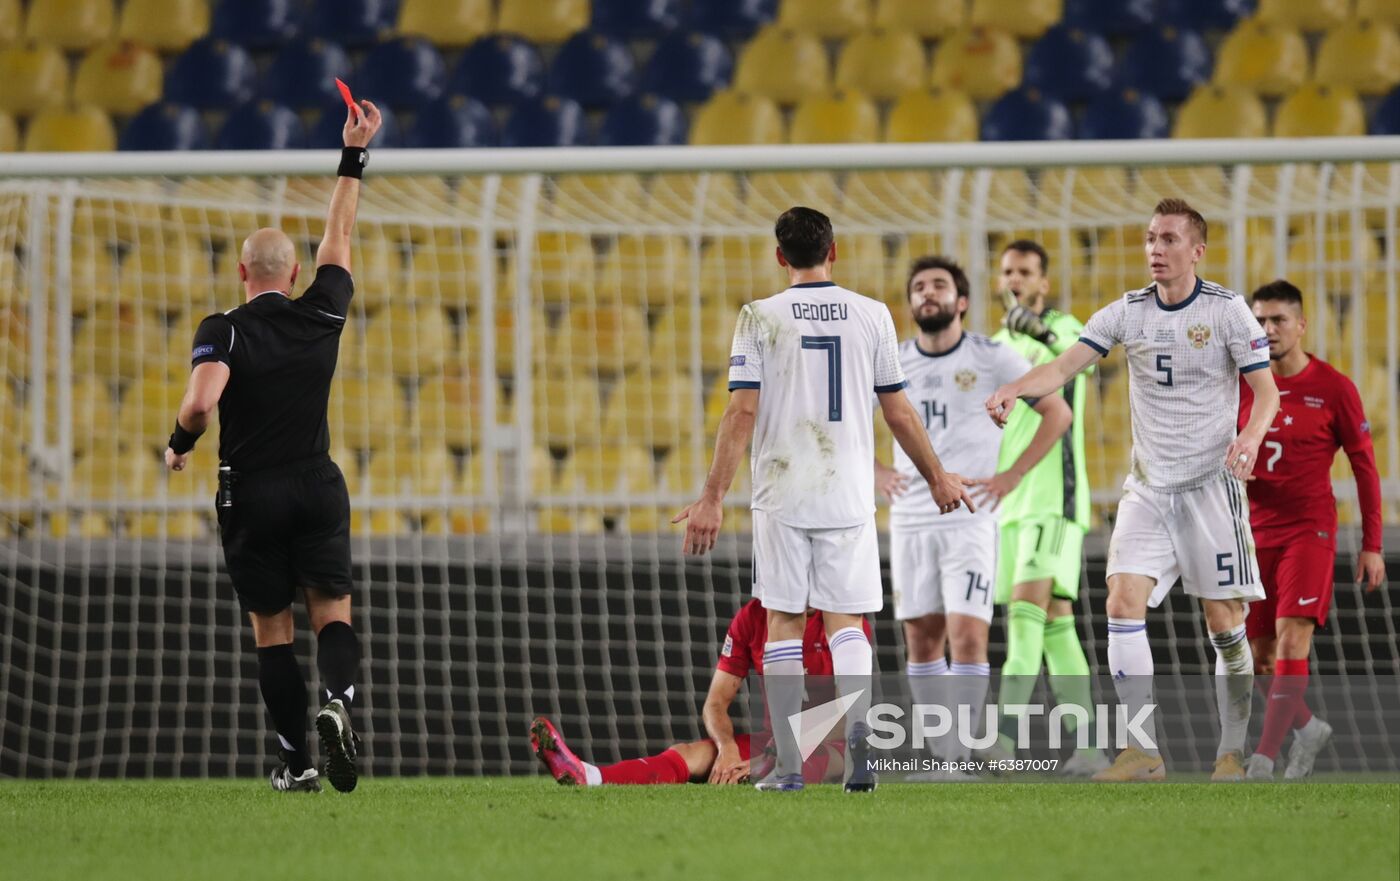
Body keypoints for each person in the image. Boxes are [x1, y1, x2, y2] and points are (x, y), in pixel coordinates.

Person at [673, 206, 974, 793]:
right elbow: (898, 411)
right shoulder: (872, 315)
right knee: (845, 622)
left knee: (784, 620)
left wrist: (712, 496)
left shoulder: (757, 316)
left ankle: (788, 766)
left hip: (782, 492)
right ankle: (860, 749)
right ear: (834, 251)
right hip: (846, 491)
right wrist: (937, 476)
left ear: (780, 257)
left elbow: (740, 412)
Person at [985, 198, 1281, 782]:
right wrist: (1015, 388)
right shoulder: (1126, 313)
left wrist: (1249, 436)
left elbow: (1266, 392)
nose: (1155, 249)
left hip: (1209, 488)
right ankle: (1142, 750)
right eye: (1150, 238)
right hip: (1147, 488)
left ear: (1196, 251)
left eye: (1169, 239)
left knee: (1224, 624)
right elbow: (1065, 367)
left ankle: (1229, 751)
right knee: (1120, 601)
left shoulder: (1228, 313)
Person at [163, 100, 383, 793]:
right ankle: (339, 704)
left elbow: (201, 401)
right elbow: (340, 232)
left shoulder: (224, 328)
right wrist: (352, 153)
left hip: (251, 492)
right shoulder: (322, 312)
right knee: (333, 615)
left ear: (242, 273)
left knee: (272, 631)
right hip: (317, 483)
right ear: (292, 275)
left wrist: (178, 444)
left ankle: (297, 761)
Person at [873, 255, 1071, 779]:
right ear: (911, 302)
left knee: (966, 635)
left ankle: (961, 758)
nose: (927, 293)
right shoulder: (892, 361)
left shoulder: (994, 356)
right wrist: (874, 471)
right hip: (912, 519)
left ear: (961, 302)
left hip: (970, 518)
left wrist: (1012, 477)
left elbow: (1059, 413)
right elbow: (844, 422)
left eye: (939, 285)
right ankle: (943, 760)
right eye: (918, 287)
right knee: (921, 638)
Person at [1239, 280, 1387, 781]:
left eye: (1278, 320)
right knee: (1255, 655)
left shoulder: (1333, 388)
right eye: (1259, 321)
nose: (1268, 330)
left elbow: (1365, 467)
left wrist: (1372, 545)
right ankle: (1306, 727)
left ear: (1301, 325)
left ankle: (1263, 757)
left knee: (1290, 641)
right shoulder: (1240, 385)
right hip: (1252, 535)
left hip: (1310, 532)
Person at [984, 240, 1107, 776]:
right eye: (1007, 271)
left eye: (1025, 272)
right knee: (1055, 622)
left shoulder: (1064, 328)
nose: (1014, 279)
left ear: (1043, 283)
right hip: (1008, 503)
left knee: (1025, 618)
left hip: (1052, 497)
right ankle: (1088, 747)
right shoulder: (993, 345)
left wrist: (1033, 328)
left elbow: (1079, 365)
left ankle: (1003, 741)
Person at [530, 601, 870, 786]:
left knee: (815, 760)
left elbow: (846, 714)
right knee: (690, 753)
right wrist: (727, 747)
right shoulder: (752, 617)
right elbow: (715, 703)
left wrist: (775, 755)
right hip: (772, 741)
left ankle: (773, 773)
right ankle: (590, 776)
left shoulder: (843, 622)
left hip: (830, 745)